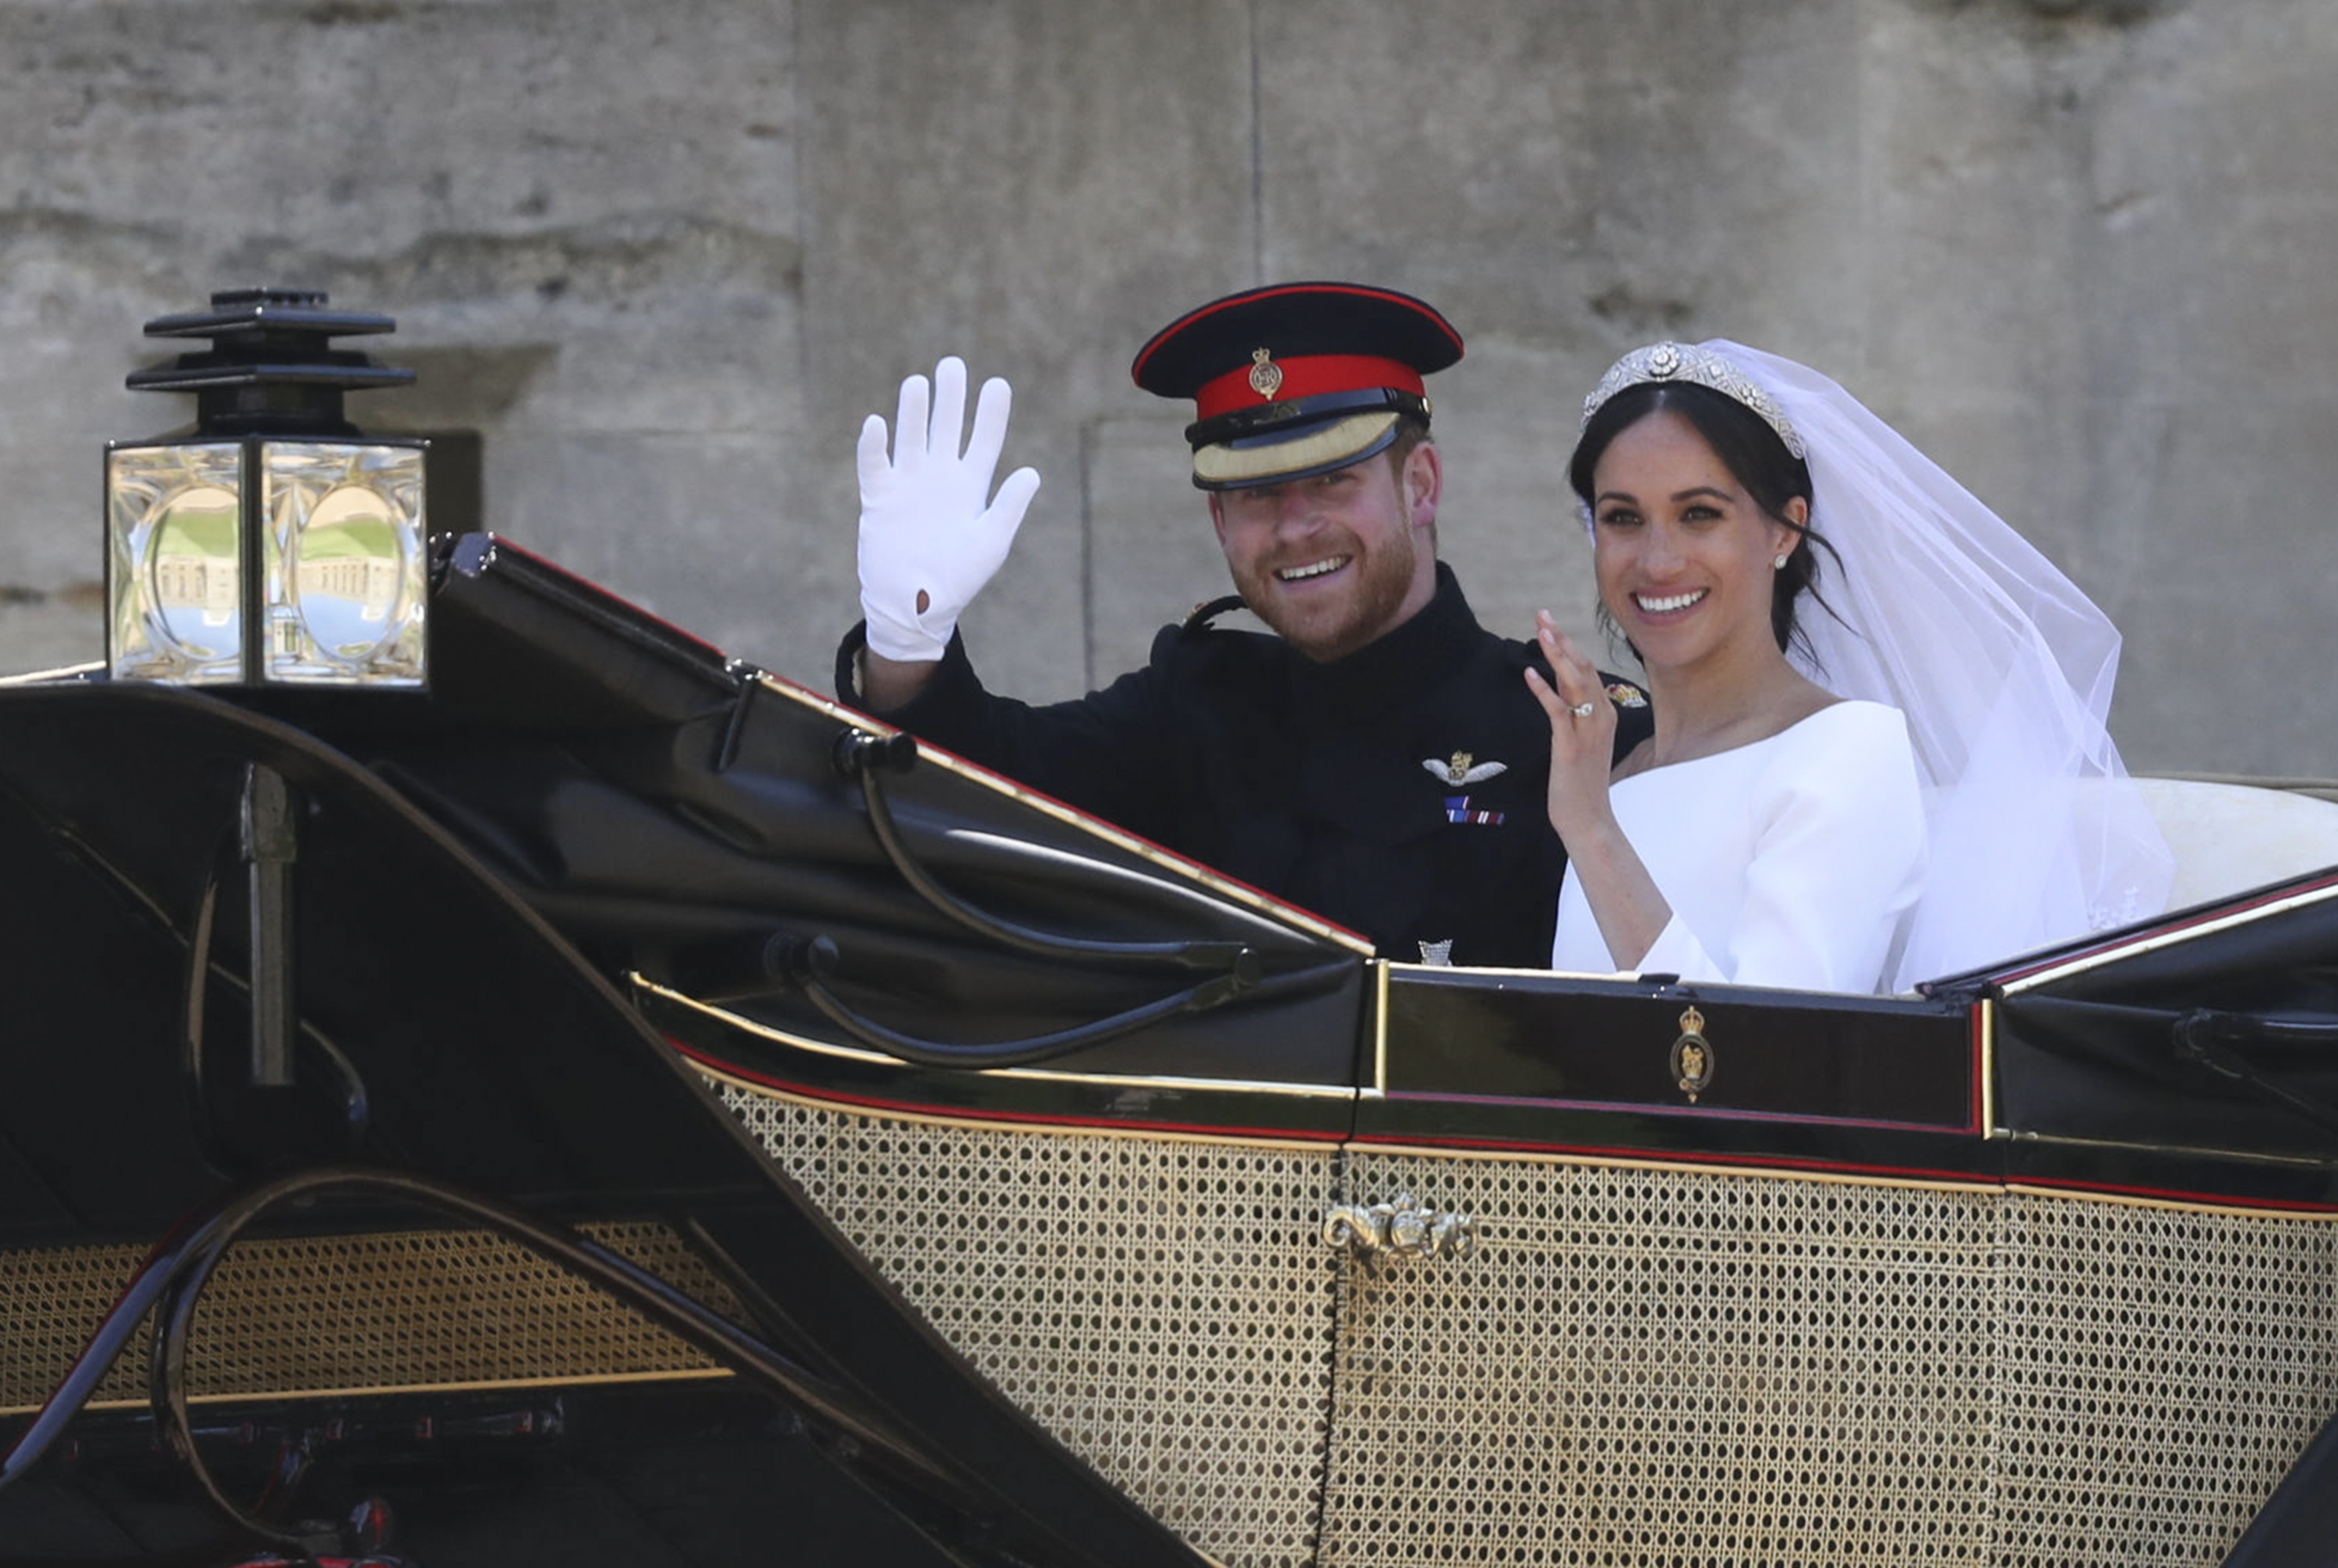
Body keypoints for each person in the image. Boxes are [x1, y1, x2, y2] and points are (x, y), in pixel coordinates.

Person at [838, 281, 1653, 967]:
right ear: (1219, 520)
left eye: (1333, 479)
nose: (1295, 526)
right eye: (1257, 493)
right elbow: (977, 793)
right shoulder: (1192, 704)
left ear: (1421, 486)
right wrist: (908, 642)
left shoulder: (1566, 732)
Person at [1530, 340, 2172, 993]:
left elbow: (1758, 1054)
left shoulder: (1841, 752)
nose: (1658, 559)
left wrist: (1592, 833)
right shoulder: (1614, 775)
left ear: (1785, 529)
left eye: (1699, 514)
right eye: (1622, 517)